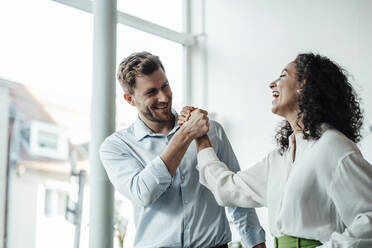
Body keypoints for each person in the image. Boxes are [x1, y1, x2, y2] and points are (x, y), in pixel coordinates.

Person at [179, 53, 372, 248]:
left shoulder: (333, 146)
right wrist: (201, 137)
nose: (272, 84)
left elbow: (369, 221)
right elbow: (227, 189)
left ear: (304, 86)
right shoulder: (281, 156)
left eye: (282, 76)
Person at [99, 51, 266, 248]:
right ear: (130, 99)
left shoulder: (212, 132)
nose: (164, 97)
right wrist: (186, 135)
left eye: (165, 86)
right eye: (151, 92)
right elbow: (143, 193)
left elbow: (236, 196)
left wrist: (257, 244)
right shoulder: (116, 147)